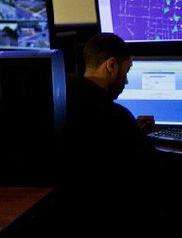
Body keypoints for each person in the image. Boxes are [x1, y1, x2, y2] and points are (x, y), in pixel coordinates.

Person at [58, 32, 174, 235]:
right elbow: (152, 170)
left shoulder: (62, 97)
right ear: (111, 65)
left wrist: (133, 132)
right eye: (127, 71)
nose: (126, 82)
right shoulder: (114, 116)